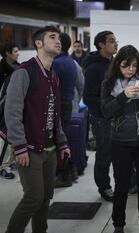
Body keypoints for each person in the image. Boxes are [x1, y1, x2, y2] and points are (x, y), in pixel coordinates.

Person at [0, 25, 70, 233]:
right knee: (33, 197)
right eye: (52, 37)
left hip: (49, 147)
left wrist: (62, 142)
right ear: (39, 43)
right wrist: (19, 146)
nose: (58, 40)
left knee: (45, 196)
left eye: (59, 37)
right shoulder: (24, 72)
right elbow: (12, 112)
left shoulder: (53, 75)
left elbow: (55, 114)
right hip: (29, 148)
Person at [101, 45, 139, 233]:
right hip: (120, 141)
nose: (131, 69)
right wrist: (123, 96)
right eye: (126, 65)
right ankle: (118, 226)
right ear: (118, 64)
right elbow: (106, 112)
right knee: (121, 185)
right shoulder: (109, 84)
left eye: (134, 65)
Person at [83, 31, 118, 201]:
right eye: (111, 41)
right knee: (105, 153)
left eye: (115, 40)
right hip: (102, 118)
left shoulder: (115, 64)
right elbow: (88, 98)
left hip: (118, 116)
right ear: (101, 45)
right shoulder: (93, 68)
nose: (115, 43)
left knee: (124, 150)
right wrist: (108, 109)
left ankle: (131, 182)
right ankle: (104, 187)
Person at [52, 32, 79, 187]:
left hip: (59, 105)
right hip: (67, 104)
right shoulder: (70, 61)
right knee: (62, 139)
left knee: (57, 141)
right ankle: (70, 171)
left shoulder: (56, 63)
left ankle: (63, 175)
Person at [0, 42, 20, 179]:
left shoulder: (17, 67)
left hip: (13, 107)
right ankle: (2, 166)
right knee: (3, 137)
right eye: (15, 51)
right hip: (3, 107)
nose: (18, 53)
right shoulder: (1, 69)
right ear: (7, 53)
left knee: (11, 136)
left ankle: (10, 161)